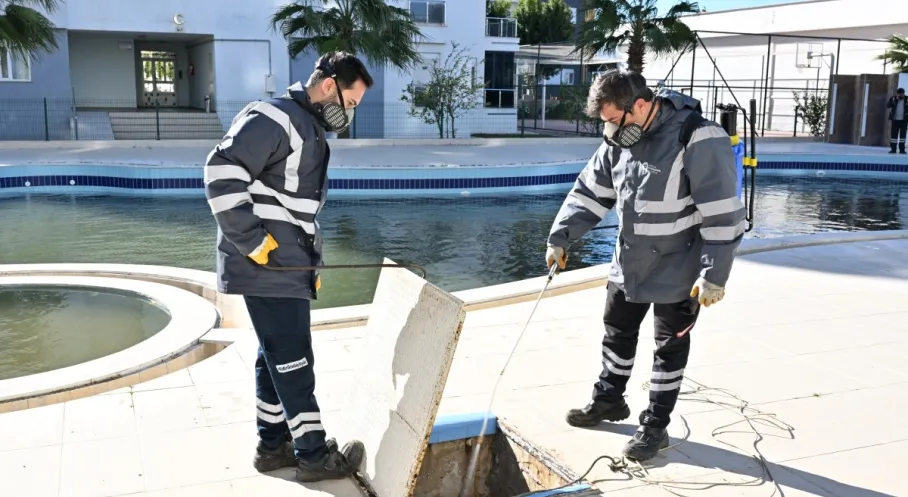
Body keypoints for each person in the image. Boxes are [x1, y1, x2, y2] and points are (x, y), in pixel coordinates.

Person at [545, 70, 744, 462]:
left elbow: (723, 212)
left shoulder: (697, 137)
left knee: (668, 349)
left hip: (680, 268)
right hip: (628, 263)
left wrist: (714, 275)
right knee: (616, 333)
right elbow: (589, 193)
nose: (611, 130)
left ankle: (655, 424)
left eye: (616, 120)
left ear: (640, 104)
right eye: (606, 123)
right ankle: (609, 400)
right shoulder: (618, 139)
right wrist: (560, 237)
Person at [203, 51, 373, 482]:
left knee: (273, 357)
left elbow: (296, 211)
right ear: (330, 86)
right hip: (269, 266)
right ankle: (314, 457)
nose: (349, 114)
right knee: (294, 361)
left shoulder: (308, 126)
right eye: (350, 103)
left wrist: (309, 264)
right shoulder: (275, 117)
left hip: (285, 267)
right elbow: (220, 171)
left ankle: (272, 446)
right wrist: (255, 242)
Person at [887, 88, 907, 154]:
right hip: (895, 120)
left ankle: (902, 150)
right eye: (900, 94)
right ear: (897, 94)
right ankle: (893, 149)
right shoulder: (893, 99)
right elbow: (888, 105)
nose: (901, 95)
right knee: (894, 136)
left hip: (904, 121)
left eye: (902, 94)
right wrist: (893, 101)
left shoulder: (907, 99)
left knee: (902, 137)